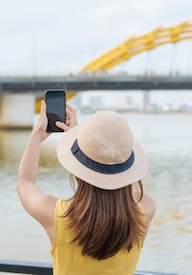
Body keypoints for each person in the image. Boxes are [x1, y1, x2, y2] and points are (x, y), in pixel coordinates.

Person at [17, 100, 156, 275]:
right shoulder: (145, 209)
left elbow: (25, 183)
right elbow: (126, 181)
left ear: (78, 168)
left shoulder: (57, 215)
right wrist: (89, 145)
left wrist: (37, 134)